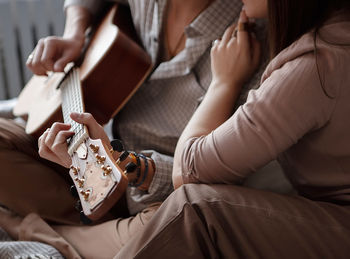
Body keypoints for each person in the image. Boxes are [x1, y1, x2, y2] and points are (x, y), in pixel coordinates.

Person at [0, 0, 268, 258]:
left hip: (158, 195)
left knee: (177, 224)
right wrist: (75, 34)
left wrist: (122, 162)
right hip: (104, 162)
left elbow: (211, 175)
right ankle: (91, 236)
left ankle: (29, 228)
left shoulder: (254, 44)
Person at [116, 0, 350, 258]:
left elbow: (188, 172)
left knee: (194, 209)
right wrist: (76, 29)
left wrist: (223, 84)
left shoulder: (317, 63)